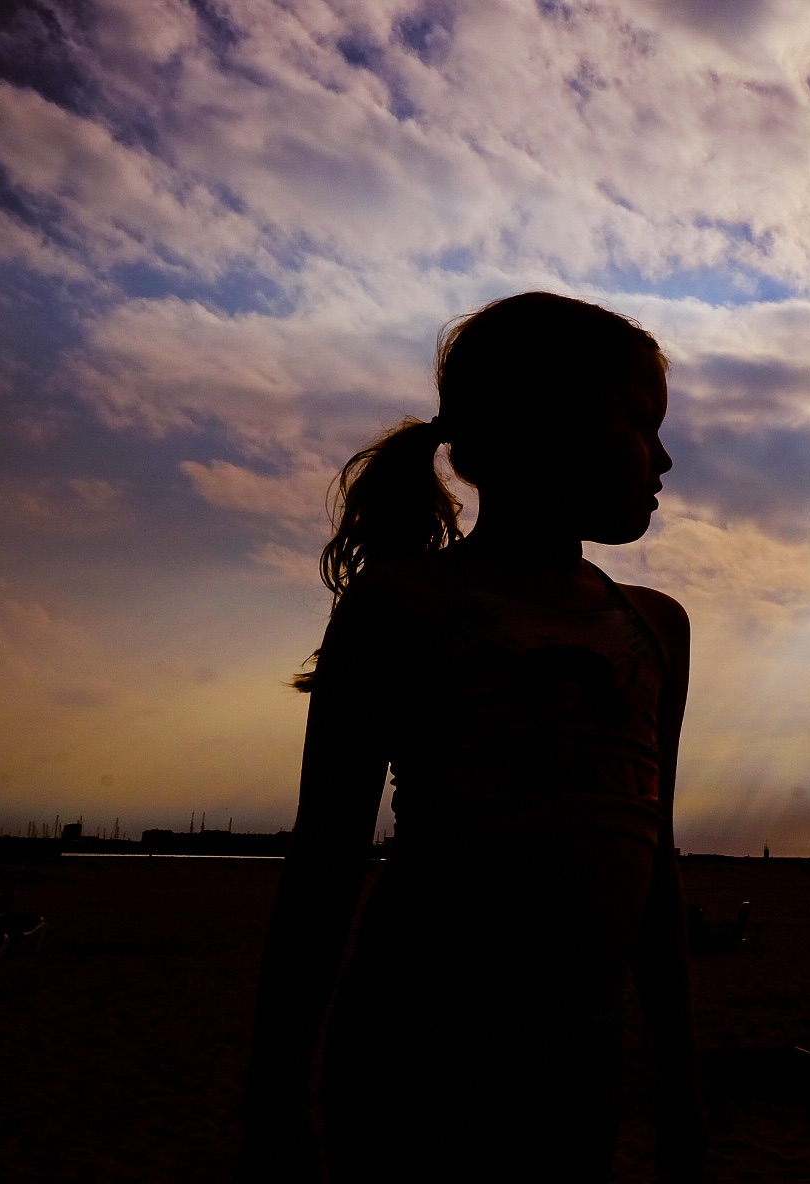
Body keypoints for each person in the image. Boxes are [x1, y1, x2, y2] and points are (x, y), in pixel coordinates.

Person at [239, 293, 702, 1182]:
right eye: (642, 423)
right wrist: (272, 1102)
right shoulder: (406, 609)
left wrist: (682, 1081)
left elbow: (655, 863)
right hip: (416, 1043)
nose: (665, 456)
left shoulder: (655, 629)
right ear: (544, 424)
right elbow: (324, 865)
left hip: (582, 1054)